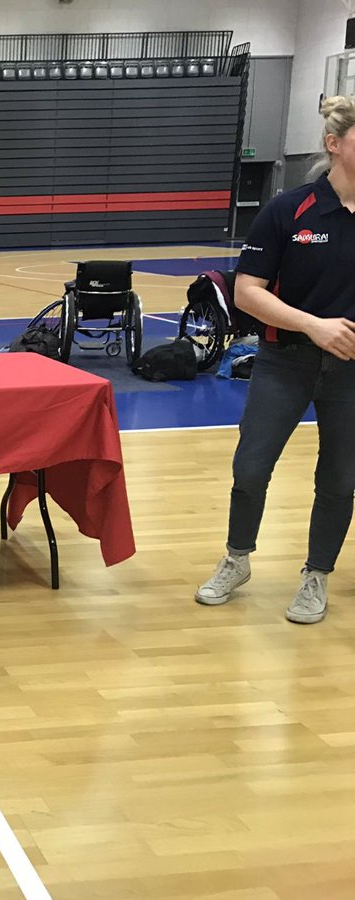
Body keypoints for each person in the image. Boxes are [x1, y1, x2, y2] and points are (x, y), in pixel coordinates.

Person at [195, 95, 355, 624]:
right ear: (334, 145)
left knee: (339, 478)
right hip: (284, 361)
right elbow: (247, 293)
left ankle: (316, 576)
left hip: (351, 373)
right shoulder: (289, 211)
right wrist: (313, 325)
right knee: (251, 467)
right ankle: (237, 559)